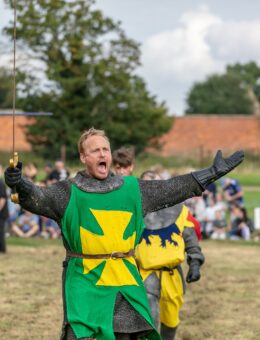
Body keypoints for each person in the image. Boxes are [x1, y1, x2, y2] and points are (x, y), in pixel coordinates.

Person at [4, 127, 244, 340]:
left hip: (126, 279)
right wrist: (20, 184)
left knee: (131, 333)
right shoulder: (67, 192)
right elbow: (38, 197)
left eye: (105, 149)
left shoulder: (133, 189)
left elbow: (173, 188)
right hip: (85, 279)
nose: (102, 154)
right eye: (95, 150)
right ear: (82, 157)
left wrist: (211, 172)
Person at [136, 170, 204, 340]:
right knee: (149, 315)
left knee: (171, 319)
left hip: (172, 274)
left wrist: (195, 262)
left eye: (156, 184)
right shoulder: (135, 211)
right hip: (145, 273)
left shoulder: (180, 211)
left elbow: (190, 239)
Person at [0, 178, 9, 253]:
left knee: (0, 231)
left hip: (1, 213)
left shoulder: (1, 183)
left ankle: (2, 249)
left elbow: (2, 199)